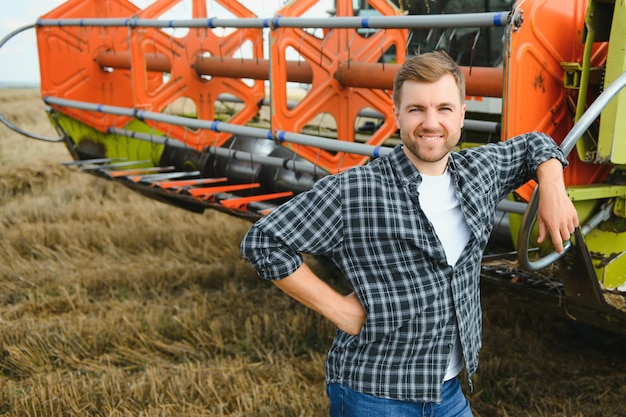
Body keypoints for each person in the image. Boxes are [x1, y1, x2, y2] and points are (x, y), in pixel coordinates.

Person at [240, 50, 579, 416]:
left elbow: (535, 145)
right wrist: (338, 309)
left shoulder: (479, 171)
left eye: (444, 109)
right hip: (374, 393)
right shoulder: (356, 190)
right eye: (417, 109)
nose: (431, 123)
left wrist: (553, 188)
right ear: (397, 114)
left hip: (446, 392)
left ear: (462, 115)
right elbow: (265, 241)